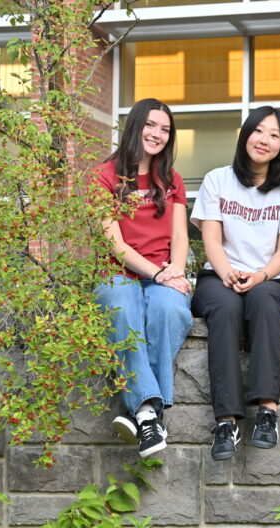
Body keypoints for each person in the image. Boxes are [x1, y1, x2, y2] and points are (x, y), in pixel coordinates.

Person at [190, 106, 280, 462]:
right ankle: (226, 422)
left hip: (271, 279)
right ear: (245, 134)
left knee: (260, 300)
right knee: (226, 307)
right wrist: (227, 271)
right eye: (259, 131)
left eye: (275, 135)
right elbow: (211, 240)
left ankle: (268, 412)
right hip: (219, 275)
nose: (265, 140)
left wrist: (259, 275)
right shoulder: (217, 179)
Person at [94, 98, 193, 458]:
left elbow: (180, 236)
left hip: (165, 273)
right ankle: (150, 411)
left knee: (169, 310)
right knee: (122, 308)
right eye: (151, 125)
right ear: (135, 126)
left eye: (165, 129)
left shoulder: (172, 180)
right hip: (118, 274)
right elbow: (115, 245)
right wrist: (160, 273)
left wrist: (176, 272)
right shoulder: (103, 176)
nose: (158, 134)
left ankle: (140, 412)